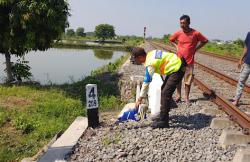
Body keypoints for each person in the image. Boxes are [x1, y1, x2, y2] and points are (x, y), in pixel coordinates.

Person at [133, 47, 186, 128]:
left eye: (136, 59)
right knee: (164, 90)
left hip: (177, 67)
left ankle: (164, 121)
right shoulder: (151, 54)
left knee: (165, 93)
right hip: (176, 64)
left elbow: (146, 81)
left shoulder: (150, 63)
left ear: (140, 57)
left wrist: (140, 98)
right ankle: (167, 108)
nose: (136, 62)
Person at [169, 15, 208, 104]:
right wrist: (177, 47)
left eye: (184, 23)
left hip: (189, 62)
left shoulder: (195, 33)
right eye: (181, 23)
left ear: (188, 23)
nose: (182, 25)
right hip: (179, 61)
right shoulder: (178, 33)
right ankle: (179, 95)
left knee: (188, 80)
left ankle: (187, 97)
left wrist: (196, 49)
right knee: (178, 80)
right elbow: (171, 39)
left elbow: (205, 41)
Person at [232, 32, 250, 106]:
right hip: (247, 63)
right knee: (241, 81)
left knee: (241, 82)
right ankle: (236, 100)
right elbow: (246, 47)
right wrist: (241, 59)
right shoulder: (249, 34)